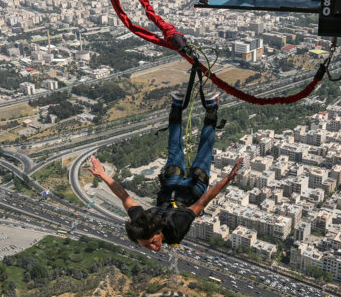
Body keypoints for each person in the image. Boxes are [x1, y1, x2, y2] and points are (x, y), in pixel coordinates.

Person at [88, 92, 244, 251]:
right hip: (193, 190)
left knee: (176, 148)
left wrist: (103, 175)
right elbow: (202, 201)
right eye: (148, 245)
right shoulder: (175, 230)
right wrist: (227, 179)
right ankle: (211, 107)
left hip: (172, 185)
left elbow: (124, 196)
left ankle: (177, 105)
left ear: (156, 232)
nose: (153, 247)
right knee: (204, 150)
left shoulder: (141, 223)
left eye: (151, 242)